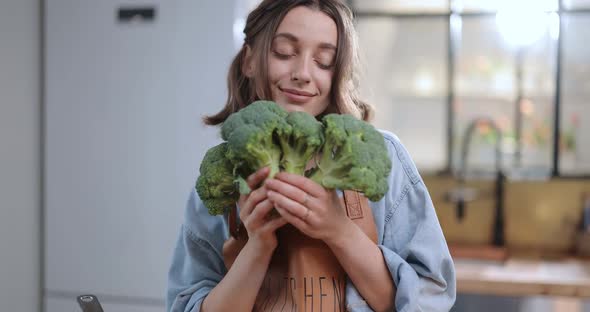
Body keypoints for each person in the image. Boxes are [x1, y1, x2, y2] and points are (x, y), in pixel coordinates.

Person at [166, 0, 456, 311]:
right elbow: (185, 304)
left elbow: (428, 300)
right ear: (249, 60)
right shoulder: (224, 172)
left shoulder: (384, 157)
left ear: (338, 74)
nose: (303, 73)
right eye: (284, 52)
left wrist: (338, 230)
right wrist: (258, 247)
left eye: (324, 61)